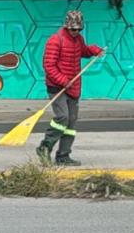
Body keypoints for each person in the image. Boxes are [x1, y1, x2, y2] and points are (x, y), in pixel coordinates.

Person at [37, 10, 103, 166]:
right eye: (73, 29)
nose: (76, 32)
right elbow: (48, 66)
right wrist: (62, 80)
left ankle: (63, 156)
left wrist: (94, 50)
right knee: (63, 118)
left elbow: (83, 51)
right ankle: (45, 147)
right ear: (66, 27)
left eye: (79, 29)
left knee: (71, 123)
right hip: (57, 87)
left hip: (73, 87)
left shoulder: (78, 39)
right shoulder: (55, 40)